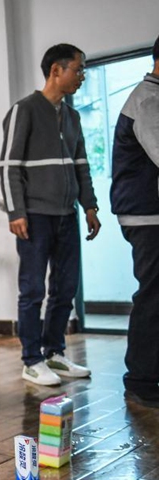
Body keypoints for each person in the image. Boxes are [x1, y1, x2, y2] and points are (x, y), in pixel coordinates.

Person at [0, 44, 101, 386]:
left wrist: (90, 205)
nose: (82, 76)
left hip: (66, 214)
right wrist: (16, 211)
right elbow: (9, 166)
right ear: (56, 70)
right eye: (78, 69)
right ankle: (31, 359)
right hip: (35, 216)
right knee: (32, 291)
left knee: (65, 287)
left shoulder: (72, 117)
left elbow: (81, 164)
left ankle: (54, 353)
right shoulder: (23, 110)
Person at [110, 35, 159, 408]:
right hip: (146, 215)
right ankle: (140, 381)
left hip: (150, 213)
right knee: (152, 295)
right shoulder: (148, 99)